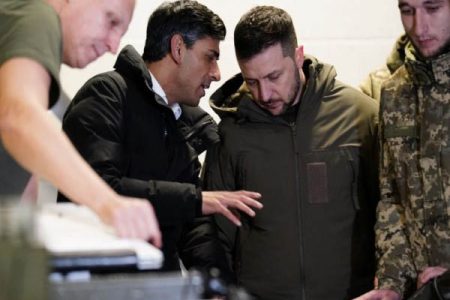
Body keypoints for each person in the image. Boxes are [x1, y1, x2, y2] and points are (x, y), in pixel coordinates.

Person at [57, 0, 263, 273]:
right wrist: (196, 200)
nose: (216, 73)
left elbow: (193, 224)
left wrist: (215, 285)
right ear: (178, 48)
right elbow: (100, 190)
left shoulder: (184, 123)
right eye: (209, 57)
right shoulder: (106, 96)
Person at [202, 5, 379, 300]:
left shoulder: (361, 116)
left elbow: (391, 212)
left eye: (274, 76)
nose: (264, 94)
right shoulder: (232, 133)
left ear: (298, 56)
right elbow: (213, 231)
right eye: (252, 82)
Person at [0, 0, 161, 244]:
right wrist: (108, 203)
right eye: (111, 21)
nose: (113, 45)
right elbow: (18, 118)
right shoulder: (38, 15)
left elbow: (22, 150)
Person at [355, 0, 450, 299]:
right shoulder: (396, 91)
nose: (419, 27)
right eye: (407, 10)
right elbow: (393, 199)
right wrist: (392, 284)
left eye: (433, 8)